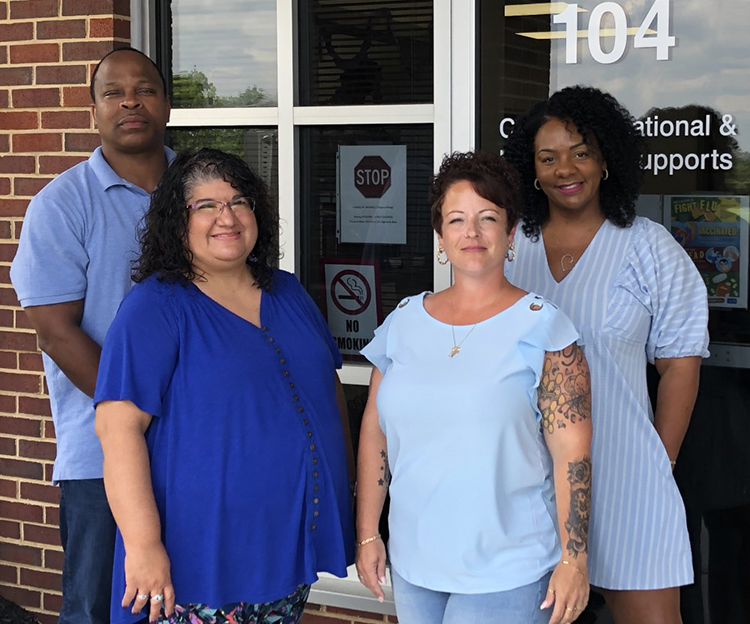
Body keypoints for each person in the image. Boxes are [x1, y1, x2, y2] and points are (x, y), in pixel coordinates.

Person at [93, 148, 355, 624]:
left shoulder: (289, 291)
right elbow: (117, 431)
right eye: (206, 206)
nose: (227, 217)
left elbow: (326, 389)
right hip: (200, 562)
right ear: (178, 222)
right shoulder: (155, 308)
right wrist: (144, 544)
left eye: (239, 201)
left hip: (283, 551)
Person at [355, 151, 593, 624]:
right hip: (415, 562)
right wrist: (367, 533)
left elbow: (573, 455)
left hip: (508, 569)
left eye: (488, 218)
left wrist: (574, 559)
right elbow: (374, 431)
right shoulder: (403, 323)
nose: (472, 232)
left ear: (510, 233)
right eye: (457, 219)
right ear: (440, 236)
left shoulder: (546, 330)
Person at [503, 85, 709, 624]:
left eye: (581, 152)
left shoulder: (649, 247)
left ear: (606, 160)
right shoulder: (509, 247)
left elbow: (679, 364)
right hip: (527, 481)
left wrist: (657, 463)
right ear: (532, 170)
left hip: (626, 478)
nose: (564, 169)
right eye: (547, 158)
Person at [10, 47, 172, 624]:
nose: (130, 100)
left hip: (195, 447)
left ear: (168, 103)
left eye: (145, 88)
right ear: (93, 111)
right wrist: (141, 414)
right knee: (100, 607)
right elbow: (56, 333)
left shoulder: (202, 193)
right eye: (113, 92)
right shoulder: (61, 205)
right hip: (99, 456)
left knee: (190, 600)